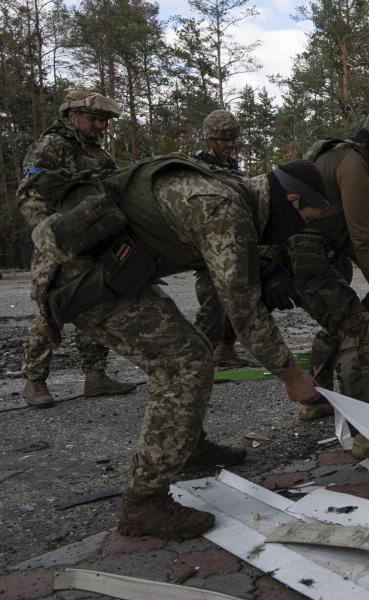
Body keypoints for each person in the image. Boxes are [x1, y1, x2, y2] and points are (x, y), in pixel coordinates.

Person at [25, 155, 331, 539]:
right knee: (183, 366)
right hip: (82, 277)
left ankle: (185, 447)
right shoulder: (224, 208)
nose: (303, 228)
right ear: (293, 203)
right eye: (309, 219)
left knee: (194, 350)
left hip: (114, 266)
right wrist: (291, 375)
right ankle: (144, 503)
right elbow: (243, 308)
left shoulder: (234, 193)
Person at [17, 90, 137, 408]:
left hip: (93, 243)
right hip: (58, 242)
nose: (100, 126)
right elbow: (30, 194)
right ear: (73, 117)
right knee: (53, 307)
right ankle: (34, 381)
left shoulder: (100, 155)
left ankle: (95, 376)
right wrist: (51, 236)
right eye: (94, 119)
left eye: (104, 121)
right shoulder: (51, 146)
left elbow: (114, 193)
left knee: (94, 305)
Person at [297, 106, 369, 420]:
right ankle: (366, 429)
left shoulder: (341, 155)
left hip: (313, 256)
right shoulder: (355, 164)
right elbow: (363, 238)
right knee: (361, 328)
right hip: (306, 258)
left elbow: (343, 230)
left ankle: (315, 399)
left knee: (339, 322)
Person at [192, 109, 249, 367]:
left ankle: (225, 349)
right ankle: (196, 359)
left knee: (237, 302)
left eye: (232, 139)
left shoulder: (232, 167)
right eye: (223, 139)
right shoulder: (197, 168)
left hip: (234, 244)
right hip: (208, 246)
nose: (229, 144)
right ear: (210, 139)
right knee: (211, 304)